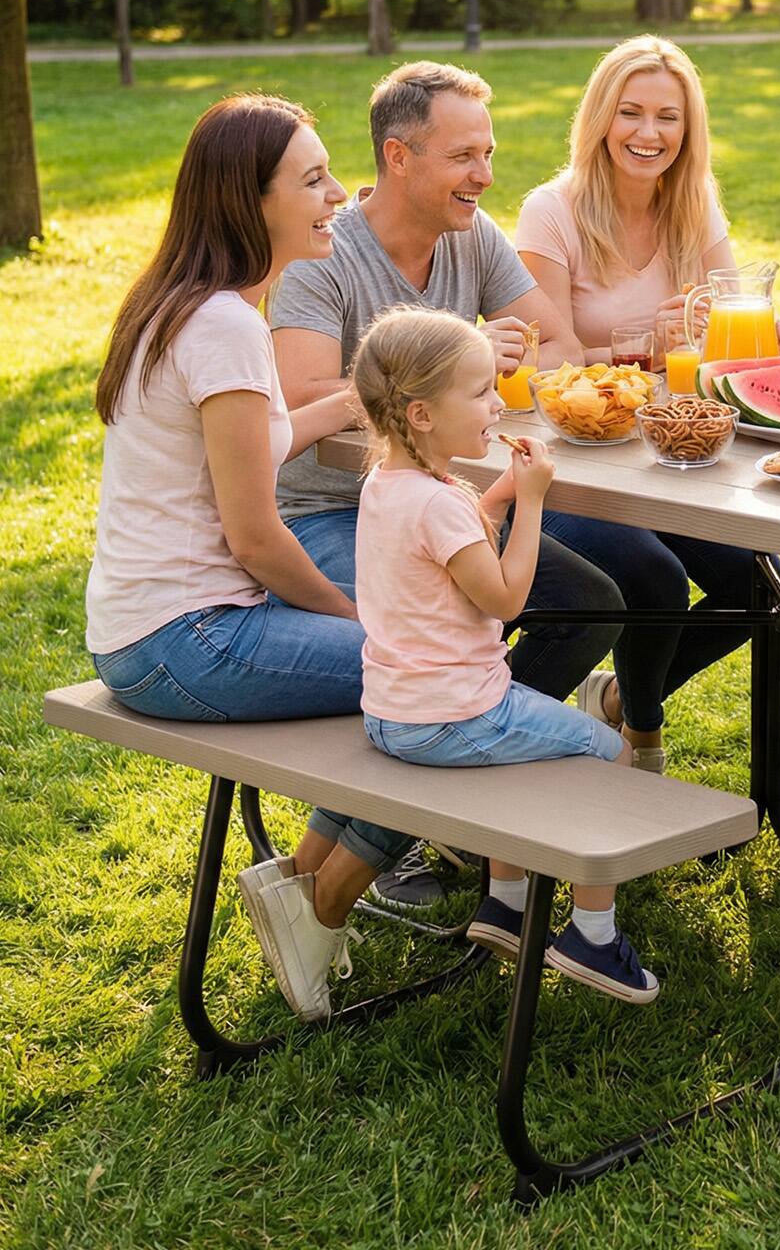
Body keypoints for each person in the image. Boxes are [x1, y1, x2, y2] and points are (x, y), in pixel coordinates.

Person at [86, 95, 417, 1012]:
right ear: (250, 200)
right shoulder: (226, 327)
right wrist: (356, 618)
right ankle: (327, 894)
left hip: (151, 629)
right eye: (313, 180)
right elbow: (256, 538)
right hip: (187, 640)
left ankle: (303, 884)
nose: (339, 194)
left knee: (420, 650)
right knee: (432, 668)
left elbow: (259, 440)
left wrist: (359, 398)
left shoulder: (187, 306)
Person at [269, 60, 623, 910]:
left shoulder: (472, 233)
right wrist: (442, 363)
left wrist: (494, 370)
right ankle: (394, 829)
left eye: (488, 153)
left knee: (591, 603)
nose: (486, 175)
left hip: (440, 500)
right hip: (333, 511)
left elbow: (561, 347)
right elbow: (298, 397)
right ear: (399, 157)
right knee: (431, 664)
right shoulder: (325, 256)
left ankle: (472, 778)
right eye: (465, 156)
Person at [239, 309, 660, 1020]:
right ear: (422, 414)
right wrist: (532, 503)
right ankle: (593, 937)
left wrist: (500, 495)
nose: (497, 404)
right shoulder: (439, 506)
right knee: (610, 754)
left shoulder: (386, 485)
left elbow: (454, 541)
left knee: (530, 753)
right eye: (481, 392)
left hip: (392, 711)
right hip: (456, 716)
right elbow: (506, 598)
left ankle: (508, 906)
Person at [514, 37, 766, 769]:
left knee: (758, 582)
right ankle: (644, 739)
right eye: (630, 112)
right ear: (600, 117)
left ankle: (623, 700)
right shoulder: (551, 211)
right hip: (571, 457)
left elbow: (728, 324)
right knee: (654, 576)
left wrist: (718, 329)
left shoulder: (695, 203)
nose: (648, 133)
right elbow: (545, 355)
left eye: (668, 117)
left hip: (667, 448)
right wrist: (637, 348)